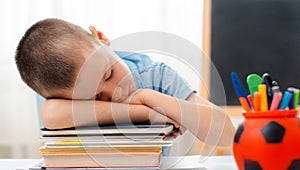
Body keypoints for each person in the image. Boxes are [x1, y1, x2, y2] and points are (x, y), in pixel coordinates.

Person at [15, 18, 235, 147]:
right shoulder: (58, 88)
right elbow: (51, 115)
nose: (117, 92)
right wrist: (144, 112)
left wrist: (148, 97)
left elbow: (226, 134)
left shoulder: (154, 75)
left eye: (109, 74)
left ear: (101, 38)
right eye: (96, 98)